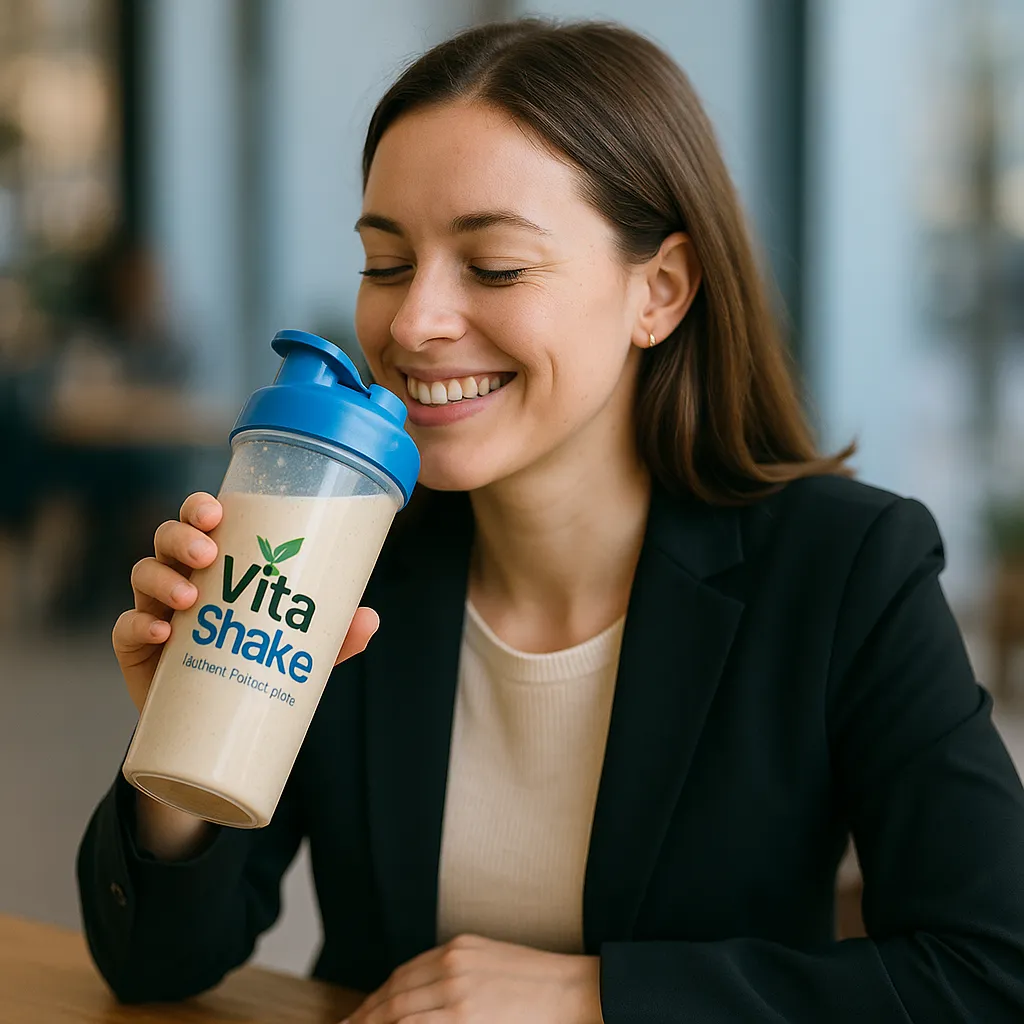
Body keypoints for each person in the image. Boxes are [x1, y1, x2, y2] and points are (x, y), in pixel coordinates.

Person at [77, 19, 1024, 1023]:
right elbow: (156, 966)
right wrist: (190, 732)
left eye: (492, 268)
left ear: (658, 291)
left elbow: (991, 970)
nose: (411, 323)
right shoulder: (334, 554)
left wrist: (595, 996)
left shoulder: (842, 571)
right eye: (386, 263)